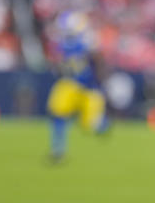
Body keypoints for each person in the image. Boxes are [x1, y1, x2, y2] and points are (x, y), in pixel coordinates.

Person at [45, 11, 109, 163]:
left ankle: (102, 124)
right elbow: (58, 64)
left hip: (88, 88)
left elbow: (99, 63)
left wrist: (100, 83)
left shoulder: (88, 41)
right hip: (70, 83)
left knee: (89, 125)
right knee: (58, 112)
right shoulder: (61, 43)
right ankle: (58, 150)